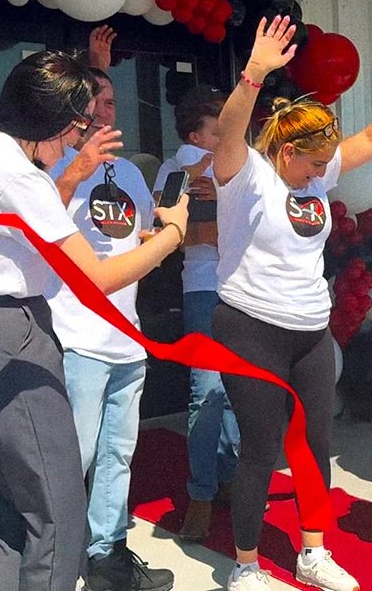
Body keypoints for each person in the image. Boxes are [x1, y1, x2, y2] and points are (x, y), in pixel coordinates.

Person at [0, 50, 189, 591]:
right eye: (77, 127)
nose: (78, 139)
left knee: (16, 509)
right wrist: (173, 234)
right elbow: (93, 278)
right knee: (58, 511)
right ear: (54, 121)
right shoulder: (15, 176)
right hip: (12, 338)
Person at [213, 16, 372, 591]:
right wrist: (254, 75)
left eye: (324, 165)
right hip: (250, 327)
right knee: (261, 448)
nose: (322, 174)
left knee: (315, 445)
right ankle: (245, 563)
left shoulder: (312, 175)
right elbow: (230, 130)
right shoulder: (246, 175)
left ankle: (312, 553)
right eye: (313, 164)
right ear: (286, 151)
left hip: (310, 331)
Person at [46, 57, 175, 591]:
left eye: (111, 101)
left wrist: (165, 235)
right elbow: (38, 227)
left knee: (118, 453)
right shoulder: (50, 168)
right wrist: (76, 169)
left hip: (126, 335)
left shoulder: (128, 174)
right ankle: (56, 560)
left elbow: (137, 241)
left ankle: (106, 555)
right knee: (71, 456)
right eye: (94, 102)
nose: (105, 110)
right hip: (76, 336)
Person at [155, 92, 240, 543]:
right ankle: (202, 495)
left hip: (247, 292)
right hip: (205, 289)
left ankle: (230, 479)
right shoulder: (179, 170)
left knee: (236, 392)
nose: (223, 140)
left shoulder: (236, 169)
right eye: (215, 133)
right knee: (206, 390)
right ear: (193, 137)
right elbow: (164, 234)